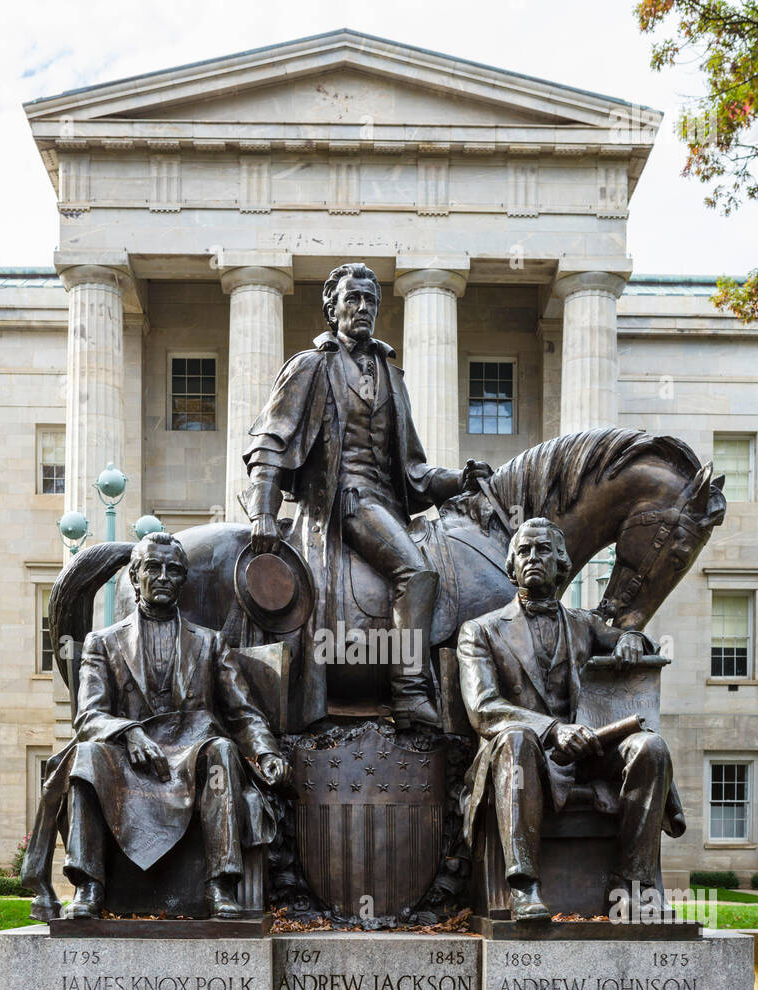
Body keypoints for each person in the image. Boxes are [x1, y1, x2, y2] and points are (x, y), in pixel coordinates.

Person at [244, 261, 490, 729]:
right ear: (331, 308)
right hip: (342, 503)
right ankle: (410, 691)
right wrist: (263, 513)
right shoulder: (311, 366)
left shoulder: (392, 377)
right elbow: (270, 442)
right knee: (416, 572)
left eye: (370, 300)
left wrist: (460, 479)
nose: (362, 307)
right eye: (352, 298)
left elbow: (414, 471)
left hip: (387, 505)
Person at [457, 517, 683, 921]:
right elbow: (483, 707)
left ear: (562, 564)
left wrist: (631, 638)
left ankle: (631, 886)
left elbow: (628, 637)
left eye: (543, 549)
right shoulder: (481, 631)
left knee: (650, 747)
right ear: (512, 567)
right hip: (523, 757)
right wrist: (553, 730)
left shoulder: (583, 624)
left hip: (584, 754)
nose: (532, 557)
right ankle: (524, 886)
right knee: (516, 738)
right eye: (523, 551)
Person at [62, 531, 288, 920]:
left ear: (183, 580)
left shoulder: (210, 643)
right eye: (153, 568)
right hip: (129, 757)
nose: (163, 577)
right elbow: (89, 716)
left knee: (222, 751)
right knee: (86, 756)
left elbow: (242, 712)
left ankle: (220, 886)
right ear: (135, 577)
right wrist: (129, 731)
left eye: (173, 570)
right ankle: (89, 885)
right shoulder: (103, 643)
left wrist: (266, 752)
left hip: (193, 753)